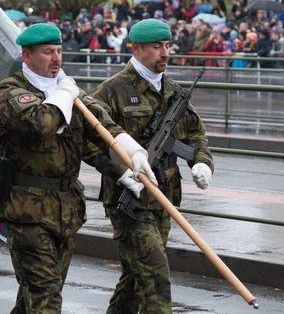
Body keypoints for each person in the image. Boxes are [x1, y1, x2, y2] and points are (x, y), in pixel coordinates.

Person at [0, 23, 158, 314]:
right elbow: (40, 122)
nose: (56, 58)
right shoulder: (9, 91)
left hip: (65, 210)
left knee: (37, 293)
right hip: (26, 209)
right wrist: (66, 95)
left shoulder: (68, 91)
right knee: (46, 296)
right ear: (26, 56)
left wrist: (131, 156)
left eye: (58, 51)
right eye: (47, 52)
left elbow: (99, 129)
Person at [90, 19, 214, 314]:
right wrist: (121, 171)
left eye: (167, 46)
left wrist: (202, 162)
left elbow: (196, 134)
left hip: (164, 200)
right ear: (137, 48)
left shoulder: (174, 91)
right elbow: (90, 141)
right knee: (156, 277)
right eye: (157, 47)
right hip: (129, 201)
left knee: (137, 278)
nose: (165, 53)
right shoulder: (111, 91)